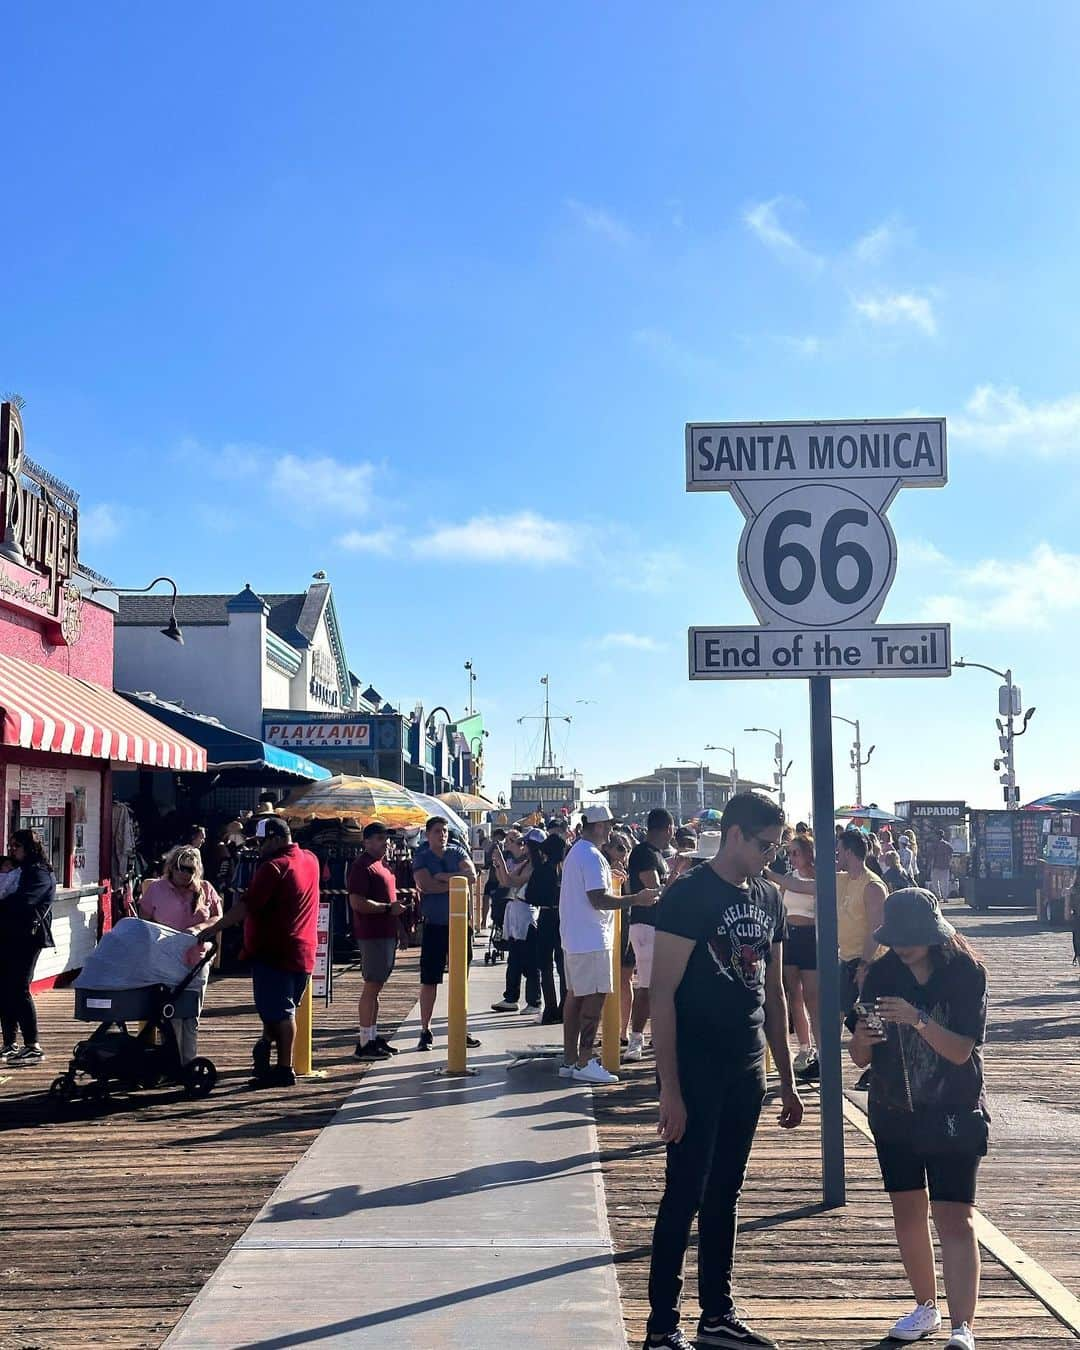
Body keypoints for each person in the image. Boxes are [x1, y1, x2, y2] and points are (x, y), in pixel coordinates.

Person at [644, 793, 803, 1350]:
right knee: (684, 1191)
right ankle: (663, 1326)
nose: (771, 855)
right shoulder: (688, 895)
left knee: (726, 1193)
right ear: (733, 835)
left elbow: (777, 994)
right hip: (696, 1065)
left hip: (747, 1065)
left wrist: (785, 1078)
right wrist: (670, 1089)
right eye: (764, 845)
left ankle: (717, 1315)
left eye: (777, 845)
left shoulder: (769, 896)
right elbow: (661, 993)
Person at [849, 889, 988, 1350]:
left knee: (955, 1217)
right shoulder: (880, 975)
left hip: (953, 1110)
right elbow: (859, 1058)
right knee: (907, 1212)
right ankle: (925, 1306)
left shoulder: (965, 973)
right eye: (896, 938)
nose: (903, 946)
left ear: (933, 935)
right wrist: (866, 1036)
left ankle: (962, 1326)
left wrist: (916, 1018)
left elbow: (960, 1050)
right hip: (894, 1110)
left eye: (911, 938)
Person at [197, 817, 320, 1087]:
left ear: (276, 838)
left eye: (262, 842)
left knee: (282, 1012)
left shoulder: (274, 868)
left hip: (274, 951)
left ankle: (284, 1068)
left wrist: (214, 928)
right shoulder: (310, 859)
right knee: (275, 1009)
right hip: (304, 950)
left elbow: (246, 906)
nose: (258, 848)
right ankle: (265, 1048)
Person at [559, 806, 658, 1085]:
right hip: (591, 938)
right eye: (610, 825)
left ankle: (571, 1059)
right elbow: (598, 899)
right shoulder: (590, 855)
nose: (612, 830)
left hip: (576, 937)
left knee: (576, 997)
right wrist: (636, 899)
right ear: (601, 825)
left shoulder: (578, 853)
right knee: (594, 998)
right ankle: (585, 1060)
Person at [139, 844, 222, 1062]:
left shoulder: (205, 888)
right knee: (171, 1013)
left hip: (196, 958)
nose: (185, 874)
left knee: (191, 1014)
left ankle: (188, 1062)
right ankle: (173, 1062)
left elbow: (218, 916)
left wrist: (199, 928)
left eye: (190, 870)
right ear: (171, 867)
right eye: (181, 868)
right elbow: (144, 920)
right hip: (166, 958)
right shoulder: (157, 889)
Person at [412, 816, 479, 1051]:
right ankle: (425, 1029)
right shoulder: (421, 856)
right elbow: (425, 885)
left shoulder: (457, 852)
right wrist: (454, 882)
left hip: (460, 926)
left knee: (460, 978)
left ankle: (460, 1027)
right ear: (428, 834)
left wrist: (441, 877)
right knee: (429, 979)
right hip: (435, 925)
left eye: (445, 831)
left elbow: (471, 877)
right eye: (438, 831)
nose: (443, 835)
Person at [347, 822, 405, 1061]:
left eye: (386, 838)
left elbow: (391, 901)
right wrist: (386, 910)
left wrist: (399, 925)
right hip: (372, 934)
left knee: (377, 986)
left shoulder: (383, 865)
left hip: (386, 932)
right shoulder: (361, 866)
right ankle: (363, 1042)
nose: (385, 843)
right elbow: (357, 902)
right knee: (371, 986)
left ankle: (372, 1035)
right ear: (367, 841)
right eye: (380, 838)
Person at [0, 830, 57, 1066]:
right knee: (5, 988)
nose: (12, 849)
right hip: (9, 935)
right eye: (10, 845)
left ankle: (32, 1044)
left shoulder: (40, 872)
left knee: (20, 988)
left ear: (29, 847)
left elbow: (24, 902)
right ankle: (9, 1042)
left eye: (17, 846)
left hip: (28, 937)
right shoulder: (18, 869)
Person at [624, 809, 676, 1063]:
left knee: (659, 984)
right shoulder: (644, 853)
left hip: (659, 926)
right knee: (646, 984)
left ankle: (656, 1034)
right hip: (646, 924)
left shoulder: (658, 855)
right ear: (667, 828)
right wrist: (677, 879)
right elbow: (654, 890)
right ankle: (636, 1038)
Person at [770, 832, 819, 1081]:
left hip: (810, 937)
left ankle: (821, 1049)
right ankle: (803, 1046)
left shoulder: (819, 878)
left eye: (795, 852)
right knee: (794, 995)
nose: (791, 857)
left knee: (812, 996)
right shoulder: (787, 878)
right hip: (790, 936)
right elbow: (780, 899)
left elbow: (802, 888)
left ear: (808, 853)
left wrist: (769, 873)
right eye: (789, 853)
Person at [491, 828, 542, 1013]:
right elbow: (506, 880)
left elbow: (514, 882)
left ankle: (534, 1000)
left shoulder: (536, 865)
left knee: (529, 960)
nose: (522, 845)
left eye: (525, 843)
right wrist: (498, 863)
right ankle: (511, 997)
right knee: (514, 958)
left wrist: (502, 862)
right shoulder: (525, 863)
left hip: (527, 914)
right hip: (516, 911)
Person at [531, 833, 566, 1024]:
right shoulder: (566, 870)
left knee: (545, 965)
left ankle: (550, 1008)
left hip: (545, 916)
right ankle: (564, 1007)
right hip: (563, 917)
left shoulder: (542, 870)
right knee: (563, 965)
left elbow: (531, 895)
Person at [929, 831, 955, 902]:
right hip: (945, 866)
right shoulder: (947, 845)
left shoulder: (934, 845)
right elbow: (951, 854)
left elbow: (932, 856)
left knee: (935, 882)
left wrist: (930, 865)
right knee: (944, 883)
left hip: (936, 866)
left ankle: (938, 895)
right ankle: (945, 897)